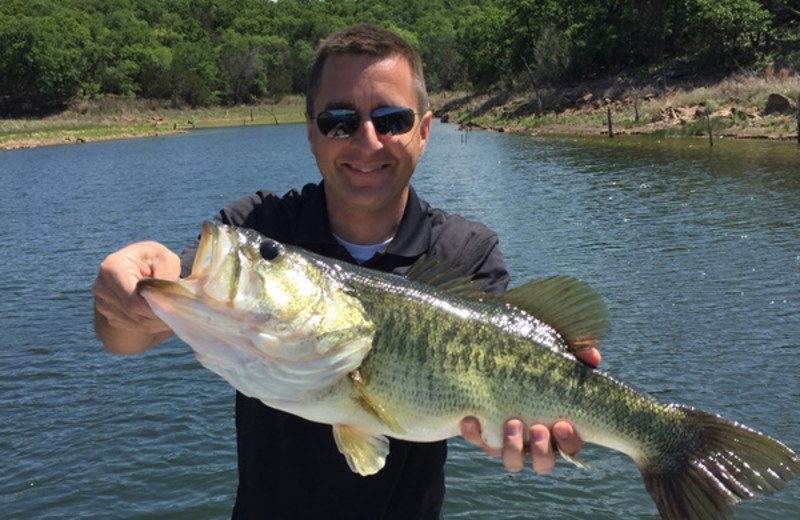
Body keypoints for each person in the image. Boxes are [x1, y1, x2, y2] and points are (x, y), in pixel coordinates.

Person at [93, 23, 600, 519]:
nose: (368, 140)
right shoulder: (259, 226)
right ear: (310, 132)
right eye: (339, 120)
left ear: (425, 132)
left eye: (393, 120)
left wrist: (532, 437)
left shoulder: (464, 251)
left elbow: (510, 386)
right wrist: (127, 302)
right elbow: (127, 336)